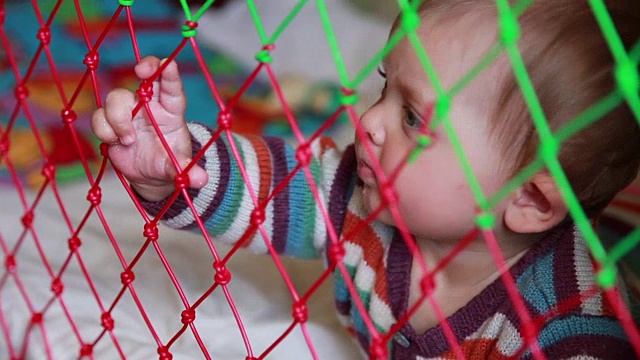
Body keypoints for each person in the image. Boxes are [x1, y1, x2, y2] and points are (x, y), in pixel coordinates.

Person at [91, 0, 640, 358]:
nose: (368, 121)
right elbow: (273, 188)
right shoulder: (360, 196)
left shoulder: (570, 331)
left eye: (413, 118)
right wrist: (177, 170)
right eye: (385, 87)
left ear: (526, 197)